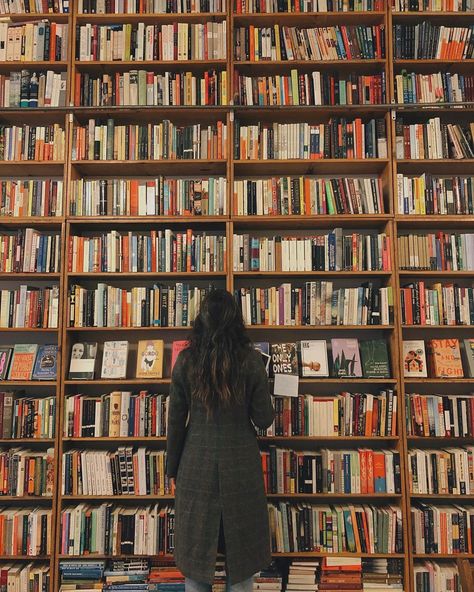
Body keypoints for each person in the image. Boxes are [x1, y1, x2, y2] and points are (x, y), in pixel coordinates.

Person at [166, 289, 275, 592]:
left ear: (201, 320)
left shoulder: (186, 361)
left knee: (196, 566)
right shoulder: (251, 361)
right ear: (235, 321)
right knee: (241, 568)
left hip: (195, 467)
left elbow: (175, 421)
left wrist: (171, 470)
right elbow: (264, 419)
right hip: (241, 469)